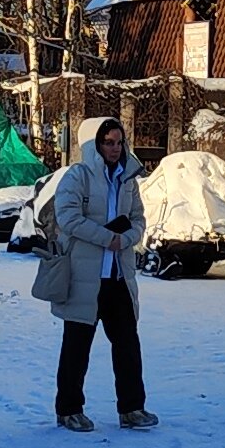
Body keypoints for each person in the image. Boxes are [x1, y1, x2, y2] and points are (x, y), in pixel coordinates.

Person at [33, 115, 157, 430]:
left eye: (118, 142)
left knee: (128, 344)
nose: (115, 149)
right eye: (108, 142)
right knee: (77, 346)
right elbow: (68, 218)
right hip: (83, 277)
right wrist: (109, 238)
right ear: (94, 144)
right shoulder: (78, 176)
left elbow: (139, 217)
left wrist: (127, 239)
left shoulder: (128, 176)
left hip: (118, 276)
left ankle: (132, 408)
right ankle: (68, 409)